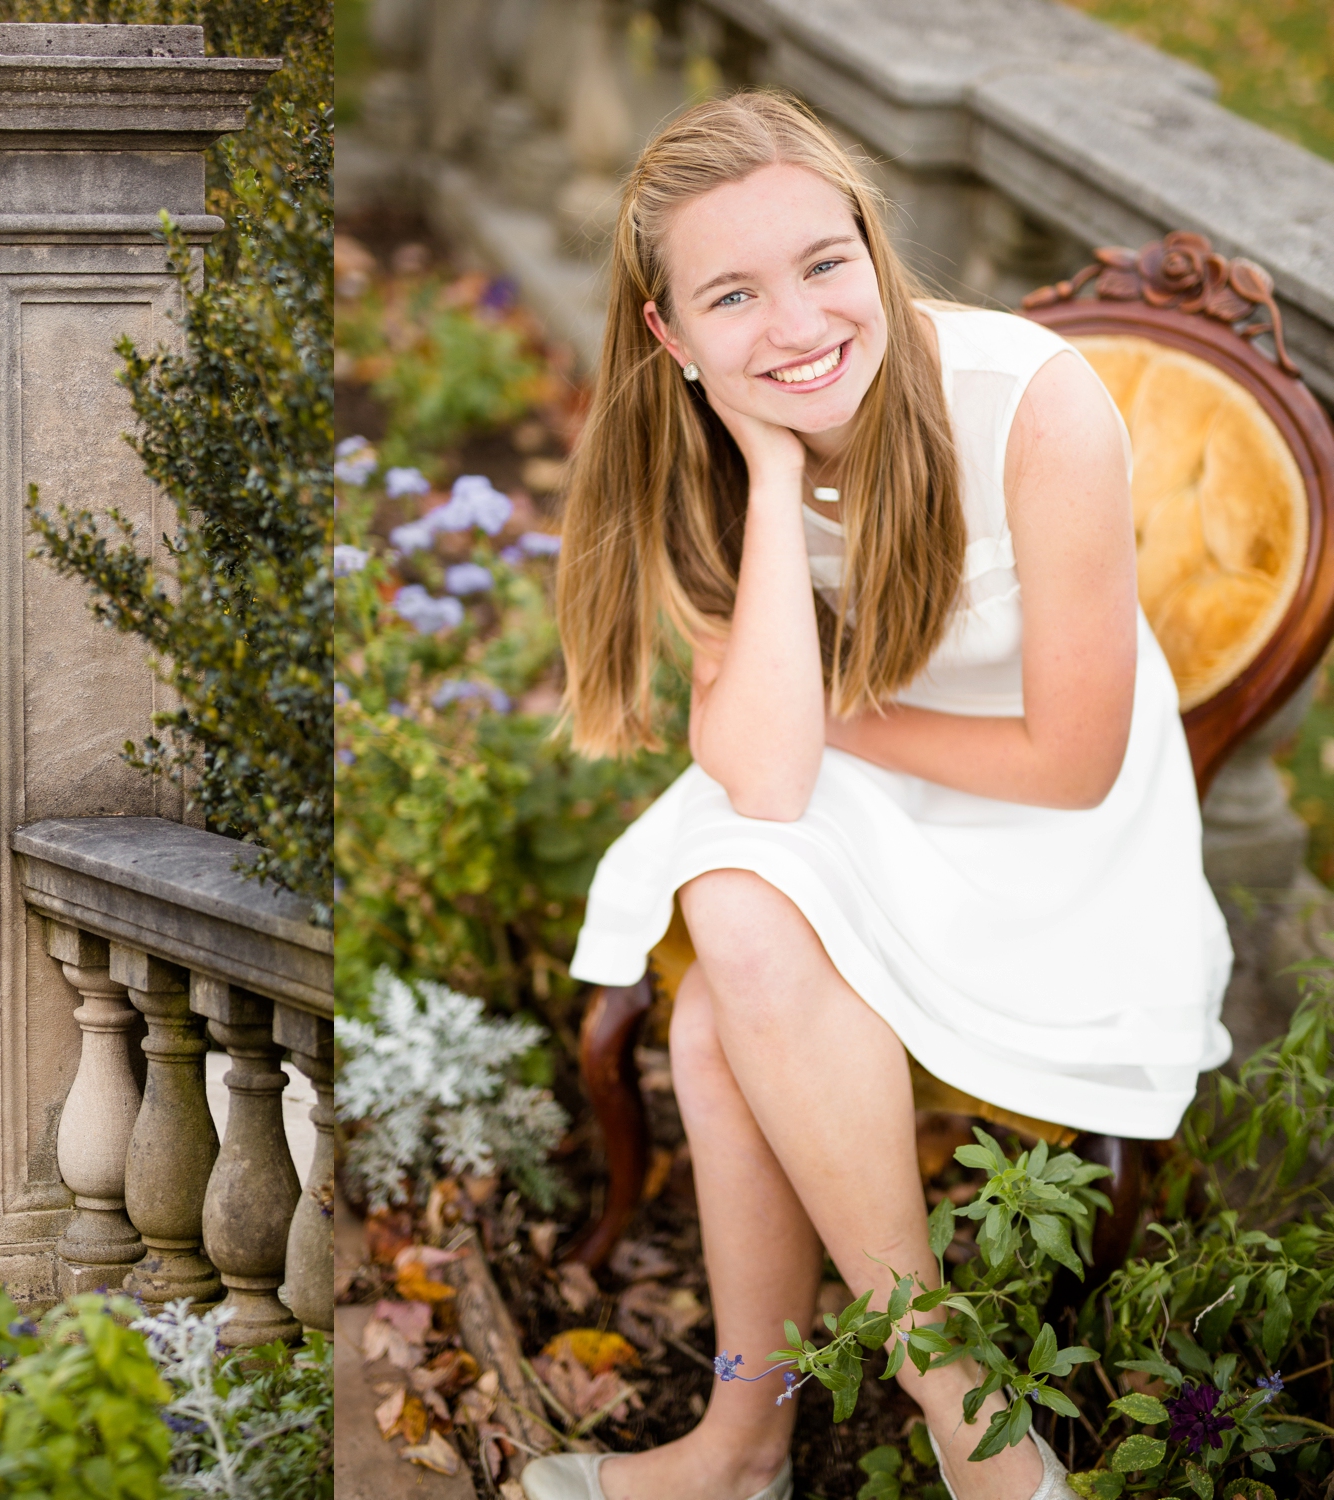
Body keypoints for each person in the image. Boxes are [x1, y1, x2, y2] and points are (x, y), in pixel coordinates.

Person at [519, 93, 1230, 1500]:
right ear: (669, 338)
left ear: (873, 247)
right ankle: (933, 1416)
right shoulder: (704, 451)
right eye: (732, 295)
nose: (795, 327)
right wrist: (774, 484)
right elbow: (769, 778)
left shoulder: (1031, 403)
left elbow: (1072, 763)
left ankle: (761, 1444)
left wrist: (849, 717)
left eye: (823, 265)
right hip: (844, 785)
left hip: (1054, 825)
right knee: (737, 903)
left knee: (724, 995)